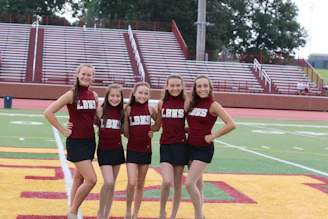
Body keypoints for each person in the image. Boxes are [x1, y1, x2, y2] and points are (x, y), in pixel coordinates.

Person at [44, 63, 98, 219]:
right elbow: (48, 112)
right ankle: (73, 210)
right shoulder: (71, 94)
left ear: (93, 77)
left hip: (89, 141)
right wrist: (63, 130)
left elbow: (94, 118)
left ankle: (71, 209)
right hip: (76, 142)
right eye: (83, 74)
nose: (86, 77)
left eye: (89, 75)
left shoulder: (93, 95)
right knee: (91, 179)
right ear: (77, 75)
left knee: (79, 177)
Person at [185, 75, 236, 219]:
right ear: (195, 88)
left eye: (205, 86)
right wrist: (182, 129)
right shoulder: (192, 104)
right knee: (198, 184)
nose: (202, 89)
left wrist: (213, 135)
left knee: (189, 183)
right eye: (199, 86)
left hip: (204, 149)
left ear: (210, 88)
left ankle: (199, 216)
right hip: (190, 147)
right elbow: (194, 125)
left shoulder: (213, 105)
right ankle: (199, 215)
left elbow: (231, 124)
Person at [152, 74, 189, 219]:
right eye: (172, 85)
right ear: (167, 87)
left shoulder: (186, 102)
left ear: (182, 86)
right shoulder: (162, 103)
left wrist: (182, 130)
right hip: (166, 145)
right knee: (167, 180)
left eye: (178, 85)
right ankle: (162, 211)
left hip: (180, 146)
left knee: (178, 183)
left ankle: (173, 214)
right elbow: (158, 124)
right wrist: (141, 129)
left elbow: (192, 124)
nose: (175, 88)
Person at [124, 81, 157, 219]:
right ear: (134, 93)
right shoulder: (128, 109)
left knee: (141, 183)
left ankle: (135, 214)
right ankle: (127, 210)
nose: (143, 96)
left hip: (146, 150)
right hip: (132, 149)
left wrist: (153, 130)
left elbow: (160, 123)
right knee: (131, 182)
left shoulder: (151, 109)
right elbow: (126, 133)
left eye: (146, 93)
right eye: (140, 93)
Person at [95, 84, 127, 219]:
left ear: (121, 98)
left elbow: (125, 132)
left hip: (117, 150)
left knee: (113, 184)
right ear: (107, 97)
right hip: (103, 150)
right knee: (108, 181)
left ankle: (107, 215)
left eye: (117, 96)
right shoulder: (100, 111)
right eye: (112, 96)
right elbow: (88, 122)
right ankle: (100, 212)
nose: (115, 99)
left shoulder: (123, 112)